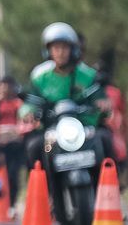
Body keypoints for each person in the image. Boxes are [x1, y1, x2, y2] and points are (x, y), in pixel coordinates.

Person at [25, 23, 111, 160]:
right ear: (48, 51)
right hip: (52, 129)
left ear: (73, 49)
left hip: (84, 127)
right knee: (33, 147)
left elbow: (99, 96)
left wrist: (103, 103)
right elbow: (30, 100)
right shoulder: (40, 78)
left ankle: (110, 172)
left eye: (64, 47)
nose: (60, 52)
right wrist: (28, 111)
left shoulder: (89, 76)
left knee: (105, 139)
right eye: (55, 48)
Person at [0, 78, 25, 207]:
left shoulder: (19, 104)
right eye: (4, 87)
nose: (7, 90)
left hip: (15, 143)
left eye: (10, 87)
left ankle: (12, 203)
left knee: (13, 173)